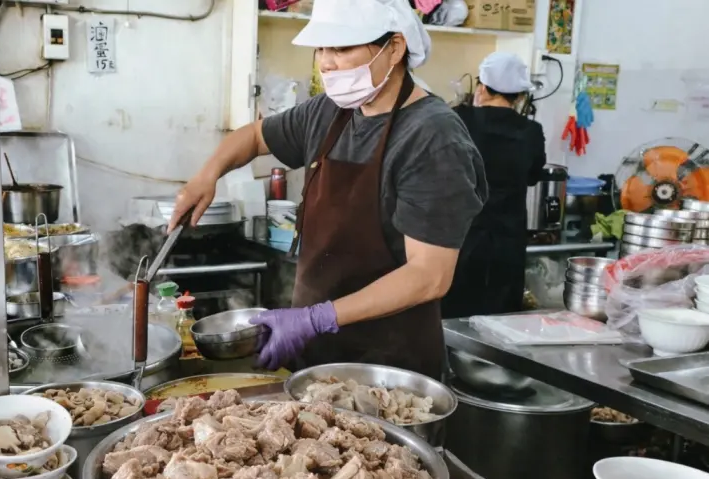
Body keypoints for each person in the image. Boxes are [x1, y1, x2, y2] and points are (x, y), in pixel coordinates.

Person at [169, 0, 487, 378]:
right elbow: (254, 137)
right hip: (315, 357)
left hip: (389, 369)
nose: (326, 63)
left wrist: (315, 318)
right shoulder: (327, 112)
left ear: (395, 48)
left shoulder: (433, 137)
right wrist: (206, 176)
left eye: (341, 48)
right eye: (321, 48)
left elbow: (429, 275)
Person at [441, 52, 547, 319]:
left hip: (461, 236)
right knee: (502, 317)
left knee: (455, 312)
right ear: (519, 96)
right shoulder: (531, 132)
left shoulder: (458, 119)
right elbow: (533, 176)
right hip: (508, 240)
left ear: (482, 87)